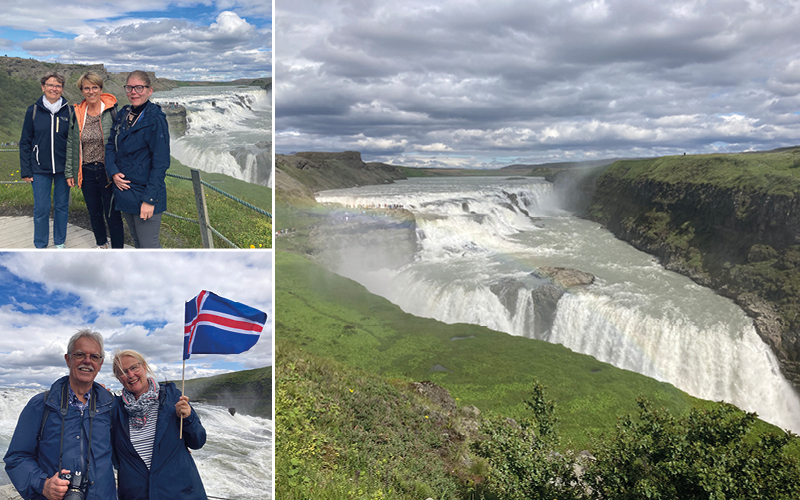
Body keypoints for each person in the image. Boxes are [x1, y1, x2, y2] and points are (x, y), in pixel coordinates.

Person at [4, 330, 116, 500]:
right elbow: (17, 457)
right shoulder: (41, 405)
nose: (87, 361)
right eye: (80, 354)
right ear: (67, 359)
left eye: (94, 357)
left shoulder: (110, 406)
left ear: (100, 364)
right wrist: (43, 484)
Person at [112, 350, 207, 500]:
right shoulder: (115, 410)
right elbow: (114, 458)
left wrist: (188, 418)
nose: (130, 375)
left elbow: (198, 441)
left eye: (134, 367)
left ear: (144, 367)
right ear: (118, 378)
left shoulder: (173, 398)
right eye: (123, 372)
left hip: (180, 494)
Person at [105, 70, 170, 248]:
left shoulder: (156, 120)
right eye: (130, 88)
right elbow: (111, 144)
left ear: (149, 90)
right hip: (125, 190)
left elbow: (161, 163)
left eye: (139, 88)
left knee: (149, 245)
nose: (133, 92)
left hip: (145, 192)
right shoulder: (123, 115)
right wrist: (112, 171)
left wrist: (149, 200)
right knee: (136, 241)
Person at [65, 72, 125, 249]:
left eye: (94, 87)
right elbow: (71, 144)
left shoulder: (112, 111)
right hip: (87, 171)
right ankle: (101, 244)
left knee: (112, 214)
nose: (91, 91)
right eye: (86, 88)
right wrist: (70, 172)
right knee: (94, 213)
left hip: (108, 171)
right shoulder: (77, 114)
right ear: (82, 91)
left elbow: (120, 142)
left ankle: (118, 250)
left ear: (100, 89)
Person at [19, 73, 72, 248]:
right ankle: (40, 244)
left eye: (58, 86)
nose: (54, 89)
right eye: (50, 85)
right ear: (43, 87)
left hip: (63, 169)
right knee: (41, 209)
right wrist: (26, 170)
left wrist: (73, 169)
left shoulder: (69, 111)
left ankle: (59, 242)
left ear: (62, 89)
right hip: (39, 168)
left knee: (61, 207)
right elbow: (25, 141)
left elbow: (74, 142)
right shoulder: (32, 110)